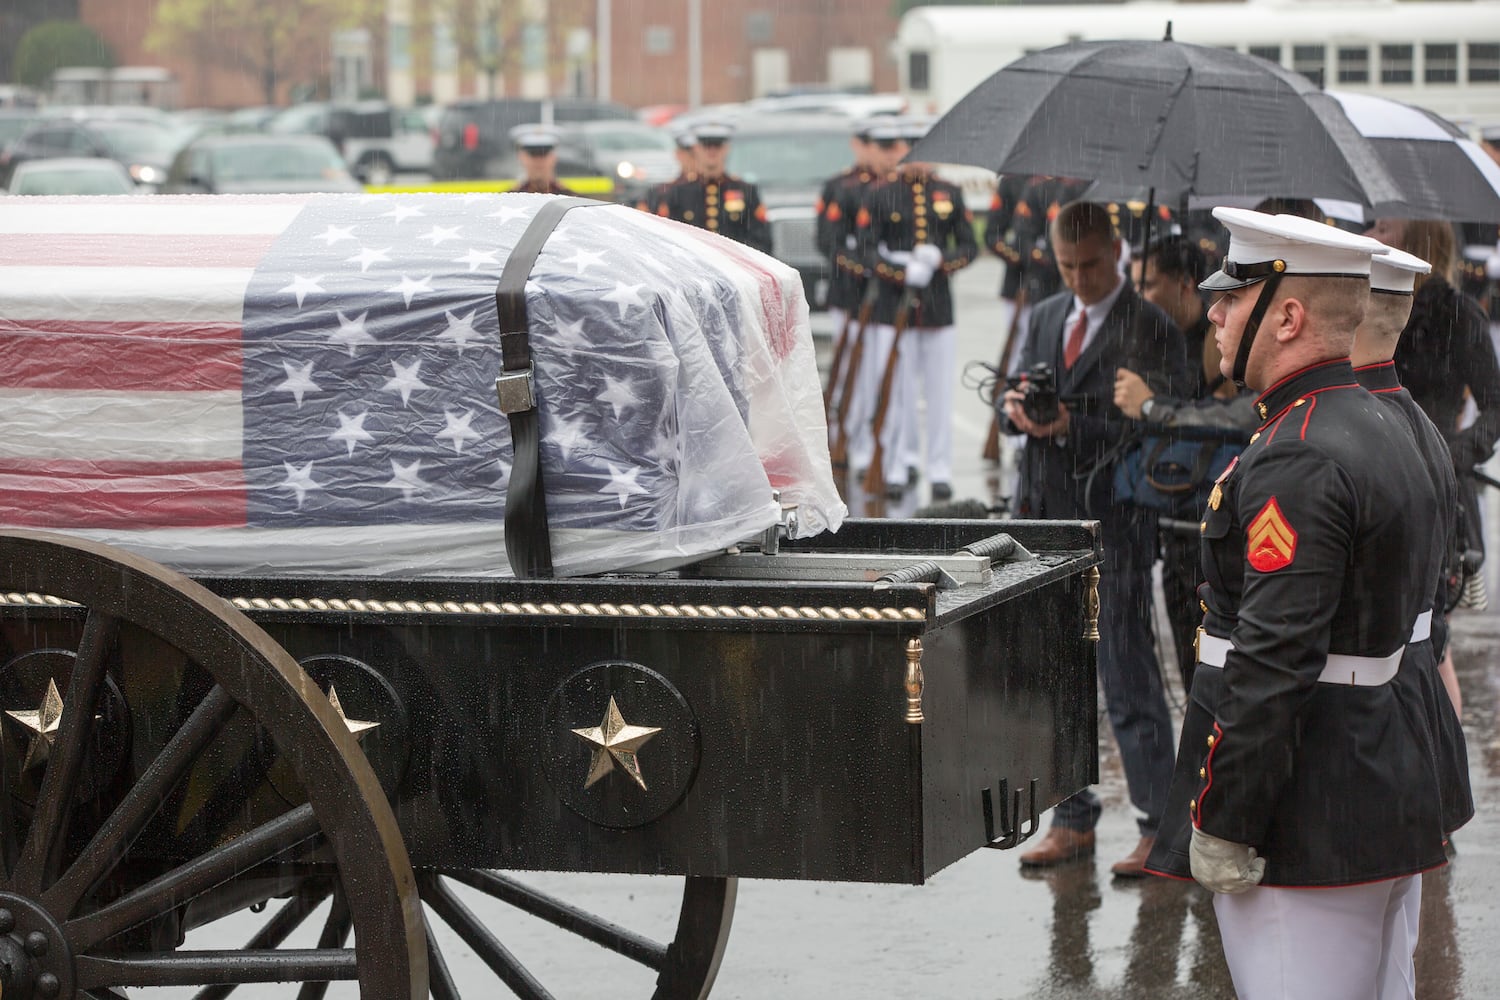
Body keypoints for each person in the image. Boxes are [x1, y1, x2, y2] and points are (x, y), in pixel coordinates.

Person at [1144, 208, 1456, 999]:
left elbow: (1275, 659)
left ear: (1287, 316)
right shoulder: (1373, 420)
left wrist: (1227, 819)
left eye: (1233, 299)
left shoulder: (1302, 450)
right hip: (1368, 780)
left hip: (1310, 802)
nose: (1213, 311)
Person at [1004, 200, 1189, 878]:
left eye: (1088, 265)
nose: (1077, 279)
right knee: (1060, 679)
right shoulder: (1048, 315)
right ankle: (1072, 816)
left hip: (1117, 524)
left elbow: (1165, 433)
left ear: (1117, 253)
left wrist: (1071, 430)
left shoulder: (1152, 328)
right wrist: (1016, 409)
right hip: (1047, 521)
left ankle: (1159, 828)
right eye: (1065, 266)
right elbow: (1025, 388)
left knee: (1127, 675)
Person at [1352, 243, 1473, 841]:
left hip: (1366, 730)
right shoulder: (1400, 419)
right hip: (1398, 719)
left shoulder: (1347, 429)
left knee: (1431, 639)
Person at [1114, 236, 1256, 693]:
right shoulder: (1145, 333)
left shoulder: (1231, 333)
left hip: (1222, 522)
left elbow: (1237, 416)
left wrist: (1154, 408)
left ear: (1181, 284)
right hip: (1171, 520)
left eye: (1149, 284)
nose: (1140, 295)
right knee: (1189, 663)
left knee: (1224, 665)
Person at [849, 117, 977, 501]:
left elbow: (969, 246)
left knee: (938, 393)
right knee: (898, 392)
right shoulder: (881, 194)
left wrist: (941, 259)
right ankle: (898, 464)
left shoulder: (949, 193)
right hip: (893, 307)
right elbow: (866, 249)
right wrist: (900, 269)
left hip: (937, 307)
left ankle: (939, 467)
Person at [817, 116, 889, 419]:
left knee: (883, 369)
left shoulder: (893, 187)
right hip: (849, 288)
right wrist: (864, 266)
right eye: (871, 145)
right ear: (857, 146)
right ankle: (849, 439)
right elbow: (827, 242)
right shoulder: (840, 186)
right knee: (851, 368)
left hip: (887, 290)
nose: (877, 152)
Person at [655, 122, 772, 254]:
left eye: (717, 146)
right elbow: (668, 239)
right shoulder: (678, 193)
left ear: (726, 149)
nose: (712, 151)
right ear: (696, 149)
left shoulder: (746, 191)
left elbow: (761, 239)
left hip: (736, 268)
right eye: (706, 146)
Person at [636, 128, 697, 215]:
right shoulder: (662, 192)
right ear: (678, 154)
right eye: (691, 154)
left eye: (694, 154)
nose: (695, 159)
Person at [508, 124, 575, 195]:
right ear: (521, 156)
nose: (538, 160)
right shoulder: (507, 201)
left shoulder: (574, 201)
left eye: (544, 153)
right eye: (532, 153)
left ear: (554, 156)